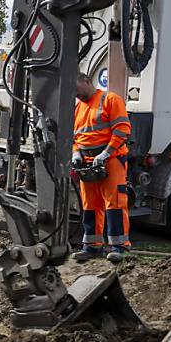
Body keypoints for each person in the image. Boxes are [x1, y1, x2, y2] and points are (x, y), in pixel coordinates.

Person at [72, 72, 131, 263]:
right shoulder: (78, 108)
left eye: (77, 89)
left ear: (87, 81)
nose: (76, 94)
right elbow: (76, 138)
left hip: (111, 160)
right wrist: (76, 153)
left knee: (114, 203)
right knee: (90, 205)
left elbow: (122, 129)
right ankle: (91, 246)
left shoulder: (110, 99)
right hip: (88, 163)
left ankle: (119, 247)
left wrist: (106, 153)